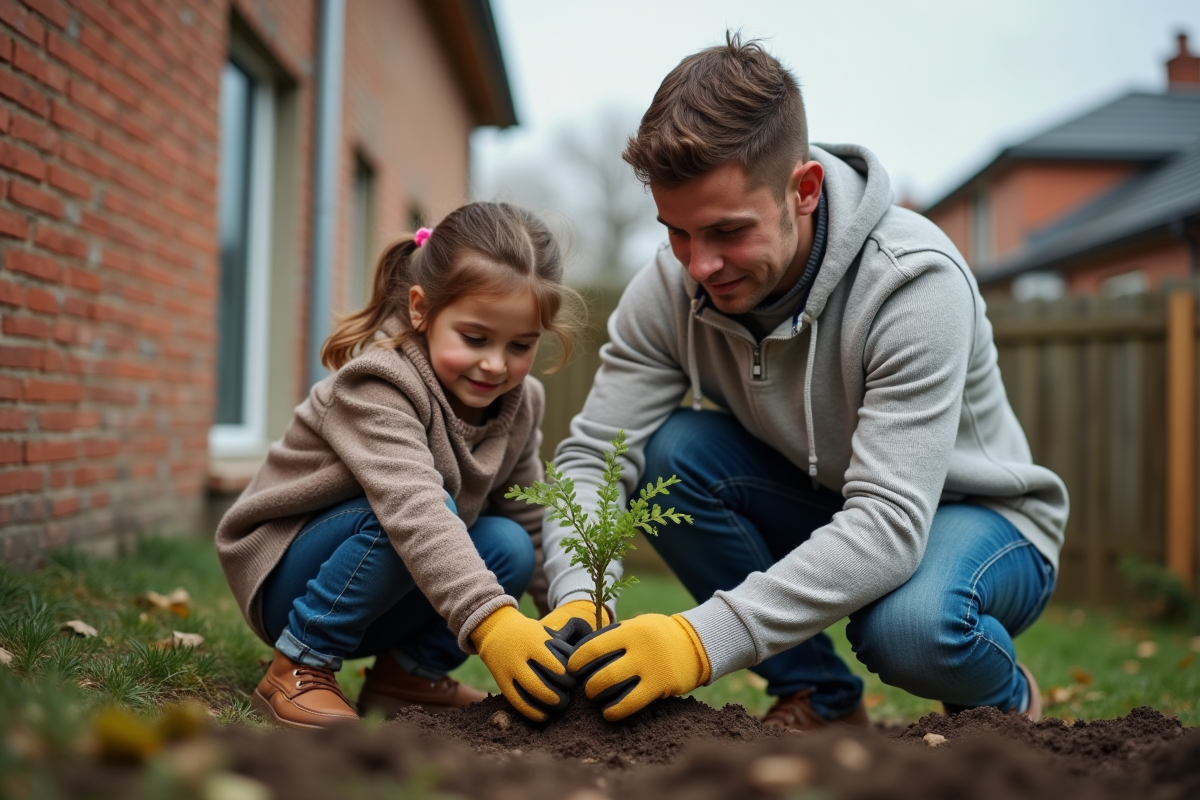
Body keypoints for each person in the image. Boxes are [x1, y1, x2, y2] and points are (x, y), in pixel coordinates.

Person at [547, 34, 1069, 728]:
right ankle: (818, 693)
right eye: (676, 232)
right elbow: (594, 456)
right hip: (829, 500)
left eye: (727, 231)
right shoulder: (669, 289)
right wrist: (580, 592)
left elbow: (886, 525)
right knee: (666, 456)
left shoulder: (911, 283)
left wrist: (697, 641)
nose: (698, 265)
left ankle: (1006, 703)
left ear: (804, 191)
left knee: (909, 629)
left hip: (980, 518)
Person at [215, 201, 598, 730]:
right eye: (475, 338)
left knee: (508, 541)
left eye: (521, 345)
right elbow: (412, 508)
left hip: (389, 584)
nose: (495, 363)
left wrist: (572, 615)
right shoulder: (379, 383)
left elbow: (531, 521)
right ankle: (298, 664)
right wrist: (492, 624)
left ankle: (406, 677)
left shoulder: (521, 401)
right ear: (422, 309)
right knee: (417, 511)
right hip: (290, 577)